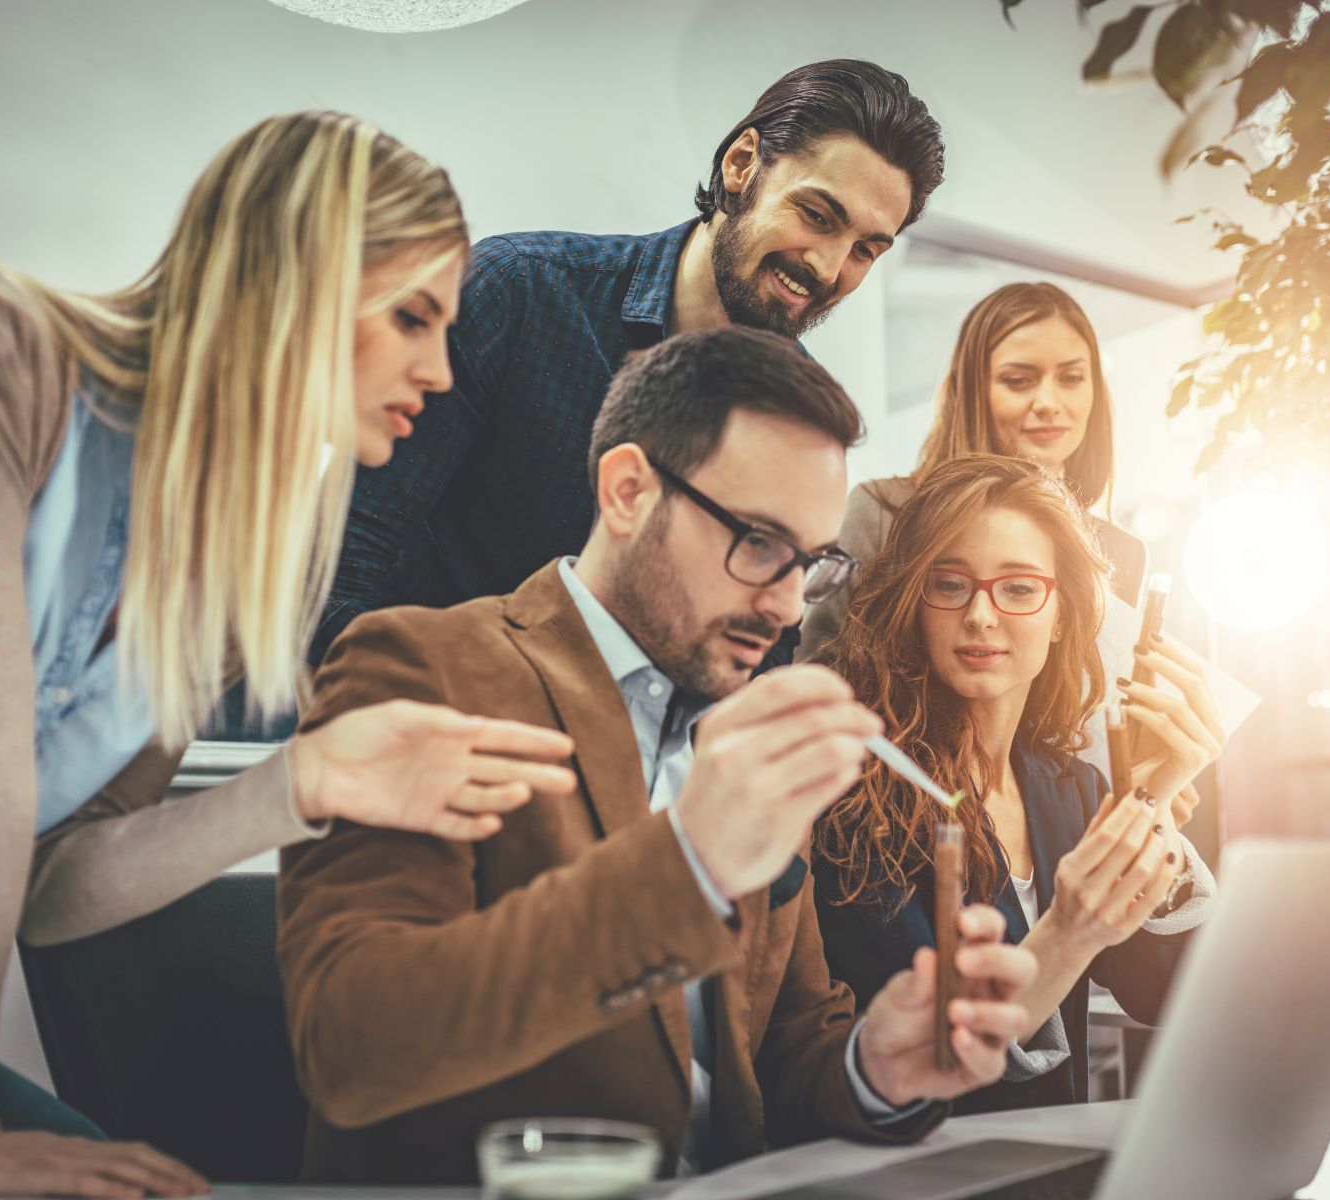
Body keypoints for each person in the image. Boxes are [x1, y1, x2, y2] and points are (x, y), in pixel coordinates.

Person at [0, 111, 576, 1196]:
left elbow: (47, 887)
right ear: (301, 271)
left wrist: (298, 785)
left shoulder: (232, 554)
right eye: (411, 316)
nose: (440, 370)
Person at [277, 329, 1038, 1185]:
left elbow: (787, 1054)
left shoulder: (747, 730)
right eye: (757, 542)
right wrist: (690, 861)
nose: (787, 609)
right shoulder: (426, 668)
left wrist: (878, 1070)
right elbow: (352, 1050)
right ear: (628, 490)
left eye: (811, 564)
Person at [312, 58, 945, 669]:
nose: (830, 267)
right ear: (742, 164)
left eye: (865, 249)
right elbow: (342, 562)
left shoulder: (803, 420)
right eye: (816, 215)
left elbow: (764, 651)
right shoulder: (521, 294)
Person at [810, 454, 1225, 1112]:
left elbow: (1168, 991)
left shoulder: (1072, 790)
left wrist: (1152, 805)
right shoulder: (860, 792)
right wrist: (1069, 932)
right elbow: (942, 1059)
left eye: (1020, 588)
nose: (980, 614)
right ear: (913, 603)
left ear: (1061, 613)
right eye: (949, 585)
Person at [800, 282, 1145, 661]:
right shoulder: (884, 513)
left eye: (1071, 378)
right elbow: (814, 670)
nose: (1048, 402)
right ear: (973, 390)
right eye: (1019, 380)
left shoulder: (1119, 554)